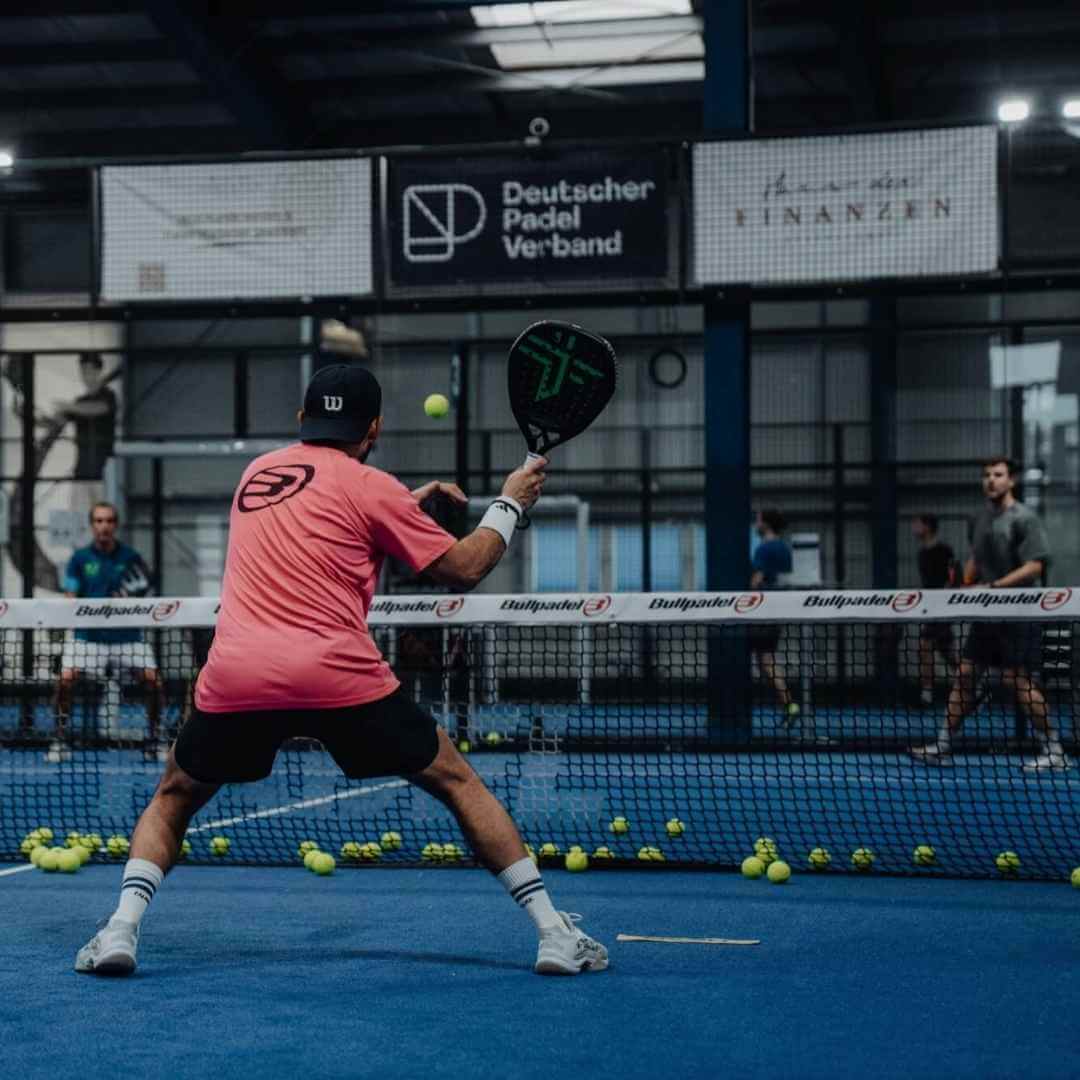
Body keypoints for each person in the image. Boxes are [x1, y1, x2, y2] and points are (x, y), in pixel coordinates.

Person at [74, 363, 608, 978]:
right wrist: (510, 503)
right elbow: (463, 567)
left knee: (173, 797)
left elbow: (320, 518)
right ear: (374, 427)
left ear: (302, 419)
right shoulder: (372, 486)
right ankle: (554, 935)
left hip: (238, 674)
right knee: (457, 781)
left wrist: (400, 505)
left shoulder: (256, 474)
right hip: (336, 675)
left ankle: (120, 930)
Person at [910, 457, 1068, 771]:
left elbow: (1036, 566)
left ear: (1011, 481)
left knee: (1016, 680)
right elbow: (976, 558)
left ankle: (1055, 750)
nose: (991, 480)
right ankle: (942, 746)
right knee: (965, 675)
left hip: (1019, 612)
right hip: (986, 613)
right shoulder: (978, 519)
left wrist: (993, 586)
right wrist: (962, 584)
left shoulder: (1025, 518)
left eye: (998, 475)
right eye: (986, 475)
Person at [50, 502, 163, 763]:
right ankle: (59, 738)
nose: (104, 526)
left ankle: (155, 738)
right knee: (65, 680)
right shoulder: (79, 559)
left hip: (127, 638)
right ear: (92, 526)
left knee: (154, 682)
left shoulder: (132, 558)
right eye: (99, 521)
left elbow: (146, 592)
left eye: (109, 521)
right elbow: (70, 595)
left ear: (116, 525)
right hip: (88, 639)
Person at [749, 508, 799, 727]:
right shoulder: (785, 548)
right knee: (764, 660)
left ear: (766, 524)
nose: (755, 524)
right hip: (778, 609)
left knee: (766, 660)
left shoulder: (764, 549)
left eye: (758, 520)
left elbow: (756, 581)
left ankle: (790, 704)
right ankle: (788, 704)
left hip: (763, 610)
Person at [911, 513, 959, 706]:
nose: (914, 527)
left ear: (928, 527)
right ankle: (976, 685)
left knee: (926, 646)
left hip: (943, 608)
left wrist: (944, 600)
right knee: (944, 651)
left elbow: (953, 577)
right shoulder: (921, 553)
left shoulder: (945, 551)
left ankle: (927, 694)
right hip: (929, 609)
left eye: (918, 523)